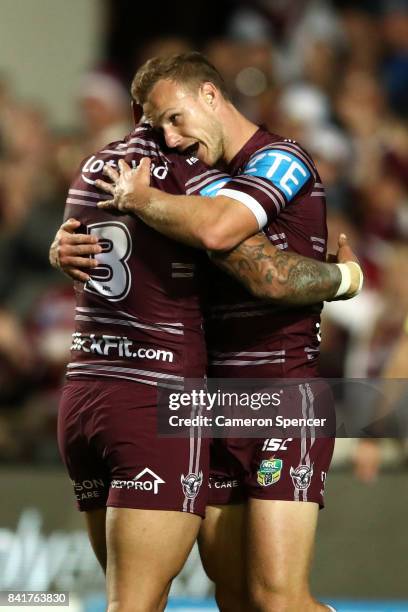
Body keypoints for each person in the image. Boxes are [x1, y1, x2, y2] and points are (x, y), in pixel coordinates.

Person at [89, 52, 361, 612]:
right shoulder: (192, 176)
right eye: (156, 125)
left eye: (175, 118)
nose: (168, 136)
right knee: (235, 596)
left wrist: (139, 198)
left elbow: (219, 230)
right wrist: (63, 248)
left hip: (280, 396)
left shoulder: (281, 158)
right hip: (211, 404)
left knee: (277, 599)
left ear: (211, 96)